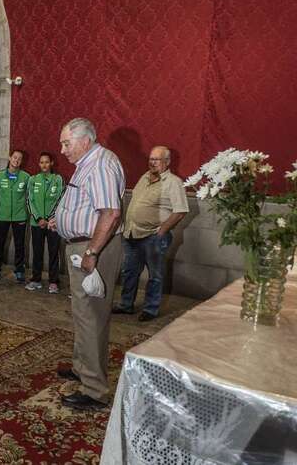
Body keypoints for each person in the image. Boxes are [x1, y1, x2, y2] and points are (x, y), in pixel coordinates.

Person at [50, 117, 124, 411]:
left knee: (91, 315)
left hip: (93, 248)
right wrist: (63, 220)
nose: (63, 150)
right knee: (82, 313)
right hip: (82, 245)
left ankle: (94, 389)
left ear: (85, 141)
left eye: (66, 143)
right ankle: (82, 368)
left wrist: (92, 251)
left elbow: (110, 213)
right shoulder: (88, 163)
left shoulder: (102, 163)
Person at [114, 146, 188, 321]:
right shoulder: (144, 177)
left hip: (153, 237)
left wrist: (162, 231)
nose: (152, 162)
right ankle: (126, 305)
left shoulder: (173, 182)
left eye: (157, 159)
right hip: (132, 235)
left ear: (167, 162)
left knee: (155, 276)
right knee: (129, 272)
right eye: (151, 159)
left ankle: (150, 309)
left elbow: (180, 211)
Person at [0, 149, 31, 283]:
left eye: (19, 158)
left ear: (21, 161)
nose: (16, 160)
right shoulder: (0, 176)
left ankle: (19, 271)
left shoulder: (26, 177)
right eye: (14, 157)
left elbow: (28, 195)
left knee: (20, 245)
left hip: (20, 216)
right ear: (10, 158)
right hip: (2, 216)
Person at [27, 152, 64, 294]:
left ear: (52, 163)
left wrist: (48, 218)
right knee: (37, 252)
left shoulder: (58, 179)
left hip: (53, 223)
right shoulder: (33, 179)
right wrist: (38, 219)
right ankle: (36, 279)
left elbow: (60, 199)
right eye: (41, 162)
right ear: (39, 164)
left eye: (47, 162)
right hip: (37, 223)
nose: (44, 165)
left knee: (53, 252)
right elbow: (29, 201)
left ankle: (54, 281)